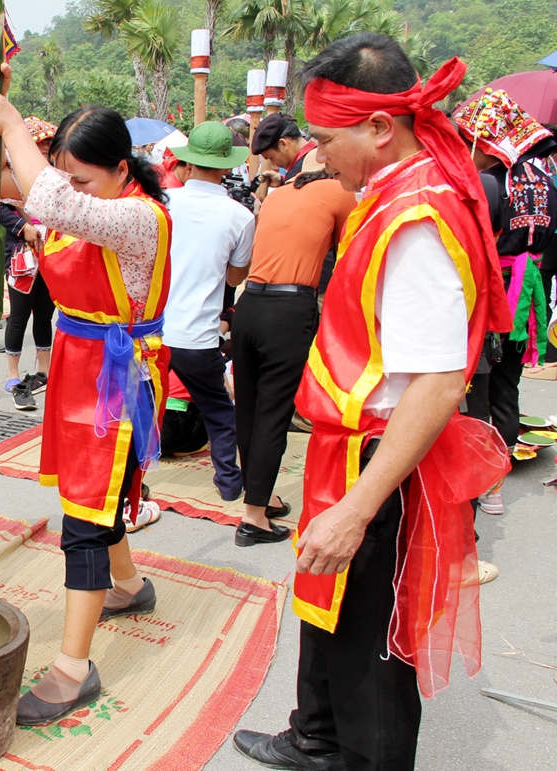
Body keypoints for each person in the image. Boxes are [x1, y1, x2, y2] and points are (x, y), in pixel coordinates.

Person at [233, 34, 511, 771]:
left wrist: (359, 508)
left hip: (379, 460)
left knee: (372, 647)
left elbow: (439, 382)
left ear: (381, 127)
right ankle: (316, 735)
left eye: (327, 139)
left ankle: (354, 751)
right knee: (328, 608)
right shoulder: (387, 193)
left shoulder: (417, 216)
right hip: (349, 446)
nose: (317, 155)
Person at [0, 52, 168, 725]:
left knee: (84, 518)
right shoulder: (86, 204)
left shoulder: (139, 219)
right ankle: (129, 585)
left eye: (83, 180)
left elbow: (52, 200)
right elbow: (6, 186)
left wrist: (12, 125)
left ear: (122, 169)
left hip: (115, 380)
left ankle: (73, 668)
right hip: (78, 370)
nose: (71, 190)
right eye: (66, 176)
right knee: (94, 495)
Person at [230, 150, 358, 547]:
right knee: (274, 413)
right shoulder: (340, 192)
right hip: (288, 309)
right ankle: (253, 519)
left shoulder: (279, 194)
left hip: (249, 303)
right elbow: (353, 252)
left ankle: (260, 497)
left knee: (249, 410)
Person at [454, 90, 557, 515]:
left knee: (478, 385)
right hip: (529, 291)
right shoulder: (544, 181)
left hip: (494, 288)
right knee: (507, 386)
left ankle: (481, 482)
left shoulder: (492, 182)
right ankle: (495, 485)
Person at [162, 122, 254, 517]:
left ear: (189, 163)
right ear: (228, 166)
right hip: (199, 333)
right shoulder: (240, 216)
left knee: (140, 408)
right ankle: (229, 483)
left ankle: (128, 481)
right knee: (218, 409)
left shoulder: (164, 201)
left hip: (154, 328)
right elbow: (235, 278)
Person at [2, 116, 57, 411]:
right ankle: (12, 373)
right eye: (39, 142)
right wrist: (24, 227)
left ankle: (43, 370)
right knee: (19, 315)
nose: (45, 147)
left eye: (49, 142)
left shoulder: (57, 173)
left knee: (45, 313)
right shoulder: (11, 174)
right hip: (21, 254)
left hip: (51, 251)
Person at [252, 113, 317, 183]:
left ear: (283, 144)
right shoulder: (317, 156)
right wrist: (282, 180)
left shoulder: (298, 174)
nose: (273, 164)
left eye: (271, 158)